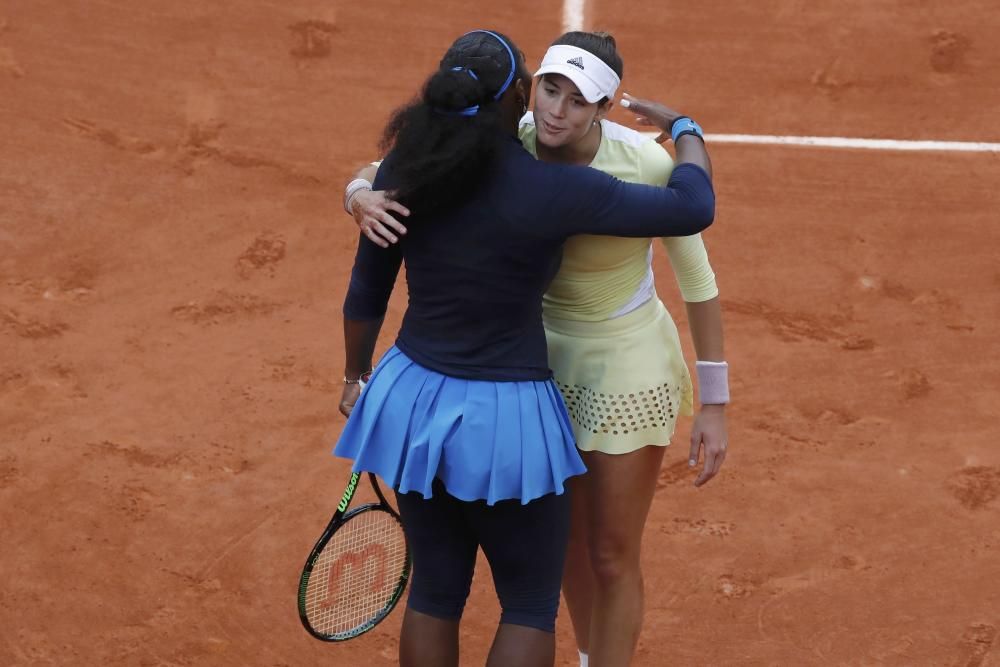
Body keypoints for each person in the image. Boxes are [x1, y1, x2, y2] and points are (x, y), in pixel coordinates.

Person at [343, 31, 729, 667]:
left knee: (607, 551)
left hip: (618, 372)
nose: (557, 111)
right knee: (554, 563)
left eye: (579, 101)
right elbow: (388, 172)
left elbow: (698, 278)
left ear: (604, 110)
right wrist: (357, 195)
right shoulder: (514, 146)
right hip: (532, 379)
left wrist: (713, 400)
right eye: (550, 90)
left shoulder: (642, 164)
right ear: (526, 92)